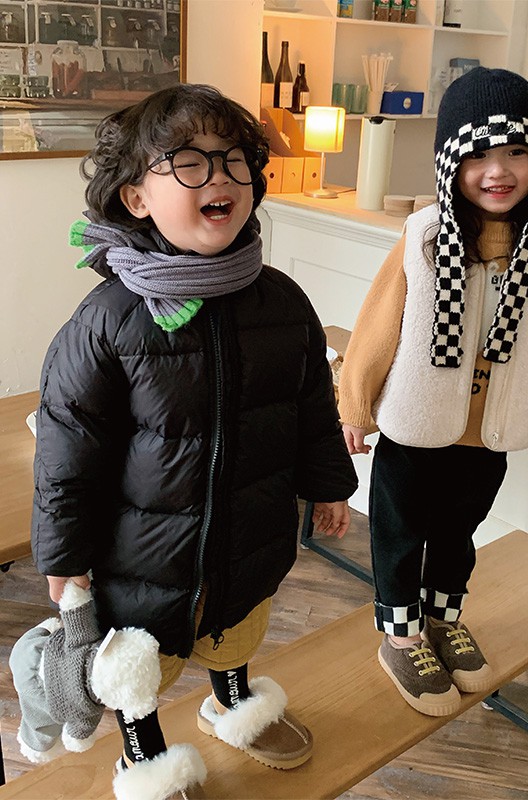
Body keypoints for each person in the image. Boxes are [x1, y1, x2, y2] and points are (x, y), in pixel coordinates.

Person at [31, 83, 357, 800]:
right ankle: (143, 756)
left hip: (251, 530)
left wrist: (329, 484)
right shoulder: (109, 319)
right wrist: (65, 557)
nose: (219, 176)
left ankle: (234, 705)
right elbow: (66, 452)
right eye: (188, 161)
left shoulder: (282, 301)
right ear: (136, 198)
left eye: (234, 159)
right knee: (138, 668)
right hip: (139, 557)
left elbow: (311, 404)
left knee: (236, 629)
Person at [338, 67, 528, 718]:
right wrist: (354, 406)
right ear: (451, 161)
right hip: (414, 426)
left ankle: (443, 619)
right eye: (477, 154)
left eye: (516, 152)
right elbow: (379, 323)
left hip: (492, 430)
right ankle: (402, 635)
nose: (497, 170)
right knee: (399, 532)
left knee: (458, 534)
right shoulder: (424, 235)